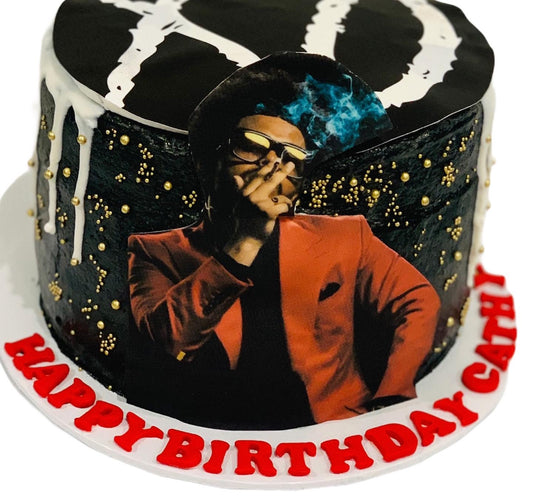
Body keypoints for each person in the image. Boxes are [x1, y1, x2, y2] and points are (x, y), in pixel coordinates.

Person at [127, 53, 440, 430]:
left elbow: (417, 299)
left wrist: (393, 396)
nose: (273, 167)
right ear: (212, 162)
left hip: (335, 430)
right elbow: (168, 344)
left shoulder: (344, 236)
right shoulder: (155, 252)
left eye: (292, 159)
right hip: (213, 436)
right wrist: (244, 242)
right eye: (253, 145)